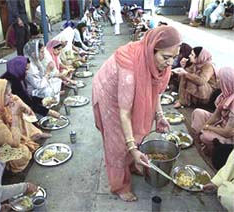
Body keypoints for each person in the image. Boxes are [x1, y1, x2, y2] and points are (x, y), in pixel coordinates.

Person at [92, 26, 181, 201]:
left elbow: (154, 92)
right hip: (110, 97)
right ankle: (119, 186)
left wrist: (160, 116)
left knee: (136, 129)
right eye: (166, 57)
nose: (170, 63)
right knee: (117, 143)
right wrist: (132, 148)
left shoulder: (160, 64)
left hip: (124, 94)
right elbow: (124, 112)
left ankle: (133, 164)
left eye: (174, 57)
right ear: (152, 50)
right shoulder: (130, 69)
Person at [0, 79, 50, 173]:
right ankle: (9, 167)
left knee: (17, 113)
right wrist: (15, 115)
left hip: (0, 136)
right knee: (23, 153)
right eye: (8, 95)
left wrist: (25, 107)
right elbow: (14, 143)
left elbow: (14, 98)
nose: (11, 97)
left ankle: (33, 134)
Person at [191, 67, 234, 158]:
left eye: (219, 79)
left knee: (205, 136)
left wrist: (208, 127)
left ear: (227, 82)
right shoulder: (224, 95)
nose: (216, 81)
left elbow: (228, 132)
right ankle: (199, 136)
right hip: (221, 124)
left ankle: (214, 152)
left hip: (229, 136)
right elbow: (216, 115)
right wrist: (205, 125)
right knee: (198, 113)